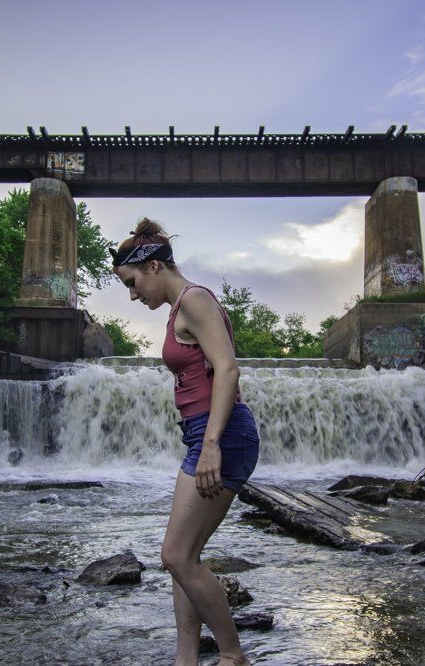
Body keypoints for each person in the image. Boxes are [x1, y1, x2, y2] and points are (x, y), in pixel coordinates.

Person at [111, 218, 260, 666]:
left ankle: (233, 656)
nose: (134, 295)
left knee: (176, 554)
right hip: (202, 433)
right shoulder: (181, 306)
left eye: (133, 283)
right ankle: (186, 658)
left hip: (222, 434)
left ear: (154, 266)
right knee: (181, 557)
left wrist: (212, 443)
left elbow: (228, 369)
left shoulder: (194, 300)